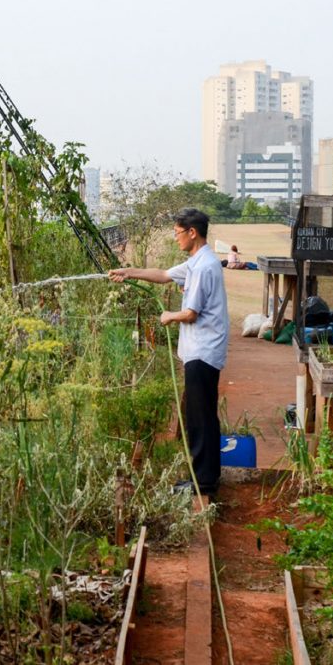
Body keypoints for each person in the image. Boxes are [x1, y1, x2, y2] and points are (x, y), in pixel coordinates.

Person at [109, 208, 229, 497]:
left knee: (199, 418)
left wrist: (168, 316)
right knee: (201, 416)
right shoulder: (197, 262)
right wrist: (128, 272)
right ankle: (204, 477)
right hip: (200, 351)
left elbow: (190, 313)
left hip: (203, 351)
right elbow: (163, 275)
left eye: (177, 233)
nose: (175, 238)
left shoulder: (203, 267)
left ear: (192, 233)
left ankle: (203, 482)